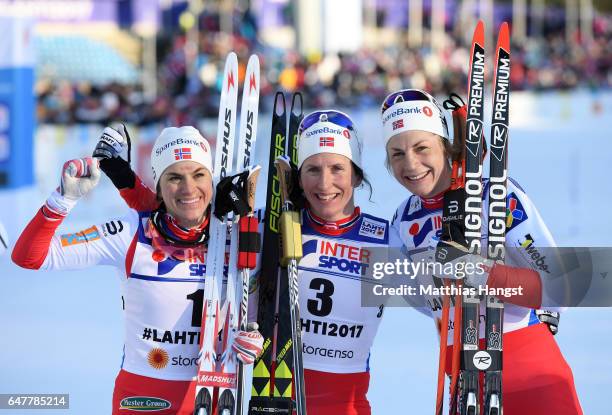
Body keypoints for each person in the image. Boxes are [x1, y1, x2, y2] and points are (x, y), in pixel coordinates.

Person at [103, 113, 390, 415]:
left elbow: (433, 296)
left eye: (338, 169)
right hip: (270, 396)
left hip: (346, 406)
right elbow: (186, 214)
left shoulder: (384, 240)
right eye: (313, 170)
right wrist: (127, 183)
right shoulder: (270, 225)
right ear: (298, 177)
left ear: (357, 175)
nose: (325, 182)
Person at [12, 126, 263, 415]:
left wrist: (255, 338)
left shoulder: (238, 233)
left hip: (216, 395)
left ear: (212, 179)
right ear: (159, 185)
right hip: (143, 398)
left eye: (198, 175)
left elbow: (261, 303)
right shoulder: (131, 232)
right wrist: (62, 199)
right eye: (174, 177)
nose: (188, 188)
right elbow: (29, 256)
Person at [380, 88, 583, 414]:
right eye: (397, 154)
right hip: (464, 383)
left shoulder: (498, 196)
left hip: (532, 375)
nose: (411, 164)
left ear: (445, 147)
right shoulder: (402, 222)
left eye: (422, 148)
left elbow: (560, 287)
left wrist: (478, 270)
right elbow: (421, 299)